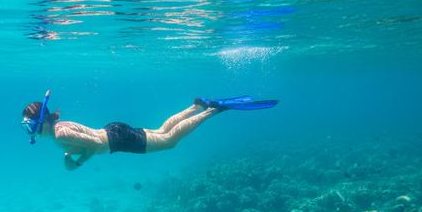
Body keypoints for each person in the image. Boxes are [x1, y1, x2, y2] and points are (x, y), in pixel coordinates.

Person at [20, 90, 278, 170]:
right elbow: (88, 139)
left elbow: (94, 145)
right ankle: (196, 106)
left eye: (31, 125)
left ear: (42, 120)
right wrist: (72, 156)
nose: (30, 130)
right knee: (161, 130)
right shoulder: (61, 126)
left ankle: (213, 110)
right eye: (27, 127)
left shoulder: (60, 134)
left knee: (169, 141)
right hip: (114, 130)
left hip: (114, 140)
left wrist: (76, 162)